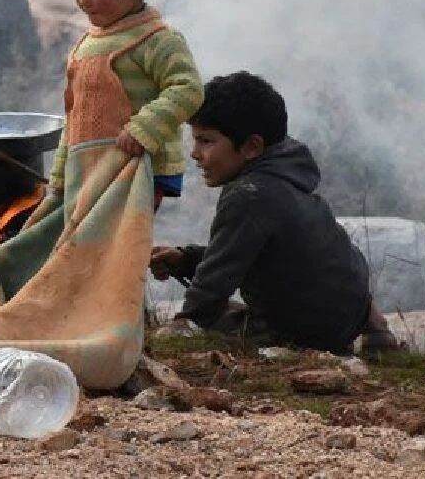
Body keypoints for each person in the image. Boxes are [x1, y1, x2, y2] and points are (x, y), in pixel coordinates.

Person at [149, 72, 400, 357]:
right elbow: (248, 252)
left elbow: (216, 281)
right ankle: (376, 326)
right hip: (352, 312)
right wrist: (187, 260)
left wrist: (185, 324)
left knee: (220, 320)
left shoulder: (248, 194)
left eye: (206, 141)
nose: (195, 153)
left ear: (252, 146)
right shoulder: (288, 174)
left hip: (302, 333)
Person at [51, 0, 203, 207]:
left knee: (118, 248)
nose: (84, 0)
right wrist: (59, 180)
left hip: (136, 169)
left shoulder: (157, 39)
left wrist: (143, 129)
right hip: (90, 172)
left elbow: (188, 89)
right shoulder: (86, 46)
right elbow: (74, 117)